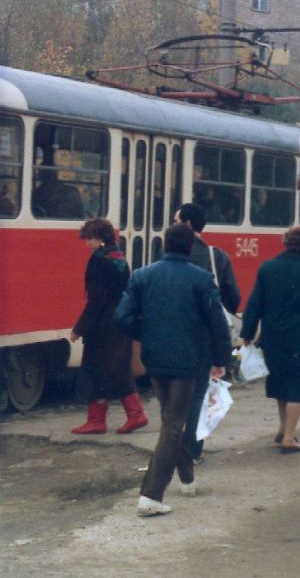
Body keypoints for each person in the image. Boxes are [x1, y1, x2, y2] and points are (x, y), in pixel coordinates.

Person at [114, 223, 231, 517]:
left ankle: (188, 478)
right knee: (172, 424)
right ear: (191, 247)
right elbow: (217, 322)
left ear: (164, 244)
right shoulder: (201, 278)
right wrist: (221, 359)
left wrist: (147, 334)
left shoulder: (143, 275)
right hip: (188, 360)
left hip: (154, 359)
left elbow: (122, 317)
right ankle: (150, 496)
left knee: (170, 418)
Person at [240, 224, 300, 454]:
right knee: (298, 387)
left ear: (285, 242)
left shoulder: (267, 268)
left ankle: (283, 429)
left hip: (273, 335)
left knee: (281, 383)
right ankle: (289, 438)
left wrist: (247, 334)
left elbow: (254, 304)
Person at [174, 202, 241, 466]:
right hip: (203, 339)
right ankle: (192, 449)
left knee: (172, 397)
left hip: (174, 336)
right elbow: (233, 296)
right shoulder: (217, 256)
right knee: (198, 396)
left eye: (176, 219)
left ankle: (171, 447)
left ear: (188, 224)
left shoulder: (164, 256)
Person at [69, 218, 148, 435]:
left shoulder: (99, 260)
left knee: (97, 368)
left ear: (101, 238)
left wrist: (79, 328)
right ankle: (129, 414)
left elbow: (96, 300)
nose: (87, 243)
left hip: (102, 323)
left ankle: (104, 419)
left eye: (90, 238)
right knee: (115, 367)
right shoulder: (119, 258)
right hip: (119, 319)